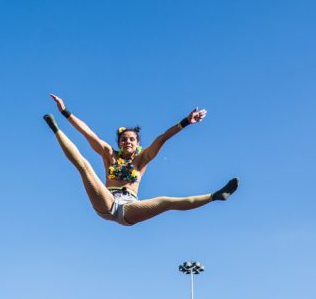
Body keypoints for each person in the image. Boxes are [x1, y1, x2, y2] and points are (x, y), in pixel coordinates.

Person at [43, 94, 238, 226]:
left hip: (130, 207)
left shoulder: (142, 159)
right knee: (84, 167)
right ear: (119, 143)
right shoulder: (109, 154)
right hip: (107, 202)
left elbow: (162, 138)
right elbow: (88, 134)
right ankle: (55, 128)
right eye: (124, 139)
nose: (127, 141)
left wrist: (186, 121)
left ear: (137, 144)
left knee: (166, 201)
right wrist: (65, 112)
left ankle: (215, 196)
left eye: (131, 139)